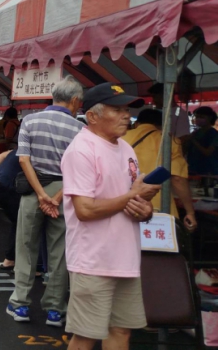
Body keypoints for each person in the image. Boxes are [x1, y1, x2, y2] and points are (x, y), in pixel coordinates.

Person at [60, 82, 157, 349]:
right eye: (117, 109)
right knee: (86, 336)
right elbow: (85, 210)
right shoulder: (82, 150)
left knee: (121, 332)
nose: (126, 115)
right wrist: (131, 196)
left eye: (127, 109)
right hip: (93, 260)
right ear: (92, 116)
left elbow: (130, 198)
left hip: (125, 257)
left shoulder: (126, 148)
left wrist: (145, 209)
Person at [7, 75, 85, 326]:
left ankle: (20, 304)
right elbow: (79, 169)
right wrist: (55, 197)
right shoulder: (80, 129)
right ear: (74, 100)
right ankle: (55, 309)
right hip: (65, 192)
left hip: (33, 190)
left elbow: (23, 159)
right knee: (59, 251)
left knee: (26, 247)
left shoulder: (30, 120)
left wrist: (41, 194)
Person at [123, 109, 197, 232]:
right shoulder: (168, 141)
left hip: (124, 204)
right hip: (158, 206)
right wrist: (190, 212)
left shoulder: (121, 138)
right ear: (161, 125)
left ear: (137, 123)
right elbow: (177, 179)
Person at [0, 150, 21, 271]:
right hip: (6, 186)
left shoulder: (21, 147)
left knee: (17, 221)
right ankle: (11, 259)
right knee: (20, 222)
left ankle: (10, 259)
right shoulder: (32, 149)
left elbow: (2, 154)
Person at [183, 106, 218, 178]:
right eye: (197, 117)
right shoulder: (196, 133)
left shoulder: (214, 134)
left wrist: (193, 140)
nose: (198, 119)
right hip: (193, 169)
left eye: (201, 117)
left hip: (209, 170)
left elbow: (208, 152)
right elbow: (186, 150)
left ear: (210, 118)